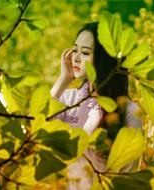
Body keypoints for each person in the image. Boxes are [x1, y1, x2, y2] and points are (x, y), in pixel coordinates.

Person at [51, 22, 141, 190]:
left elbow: (128, 176)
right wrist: (63, 80)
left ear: (103, 59)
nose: (76, 57)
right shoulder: (70, 99)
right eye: (75, 50)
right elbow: (35, 126)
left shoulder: (129, 112)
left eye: (85, 52)